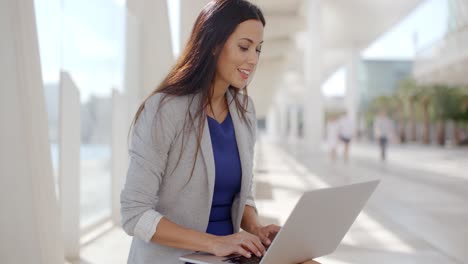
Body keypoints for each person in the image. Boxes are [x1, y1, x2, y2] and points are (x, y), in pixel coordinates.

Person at [120, 1, 282, 263]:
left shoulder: (244, 111)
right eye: (244, 47)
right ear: (214, 44)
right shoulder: (164, 110)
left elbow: (243, 194)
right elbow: (134, 213)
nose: (253, 59)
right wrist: (214, 243)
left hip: (227, 258)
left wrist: (256, 229)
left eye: (258, 49)